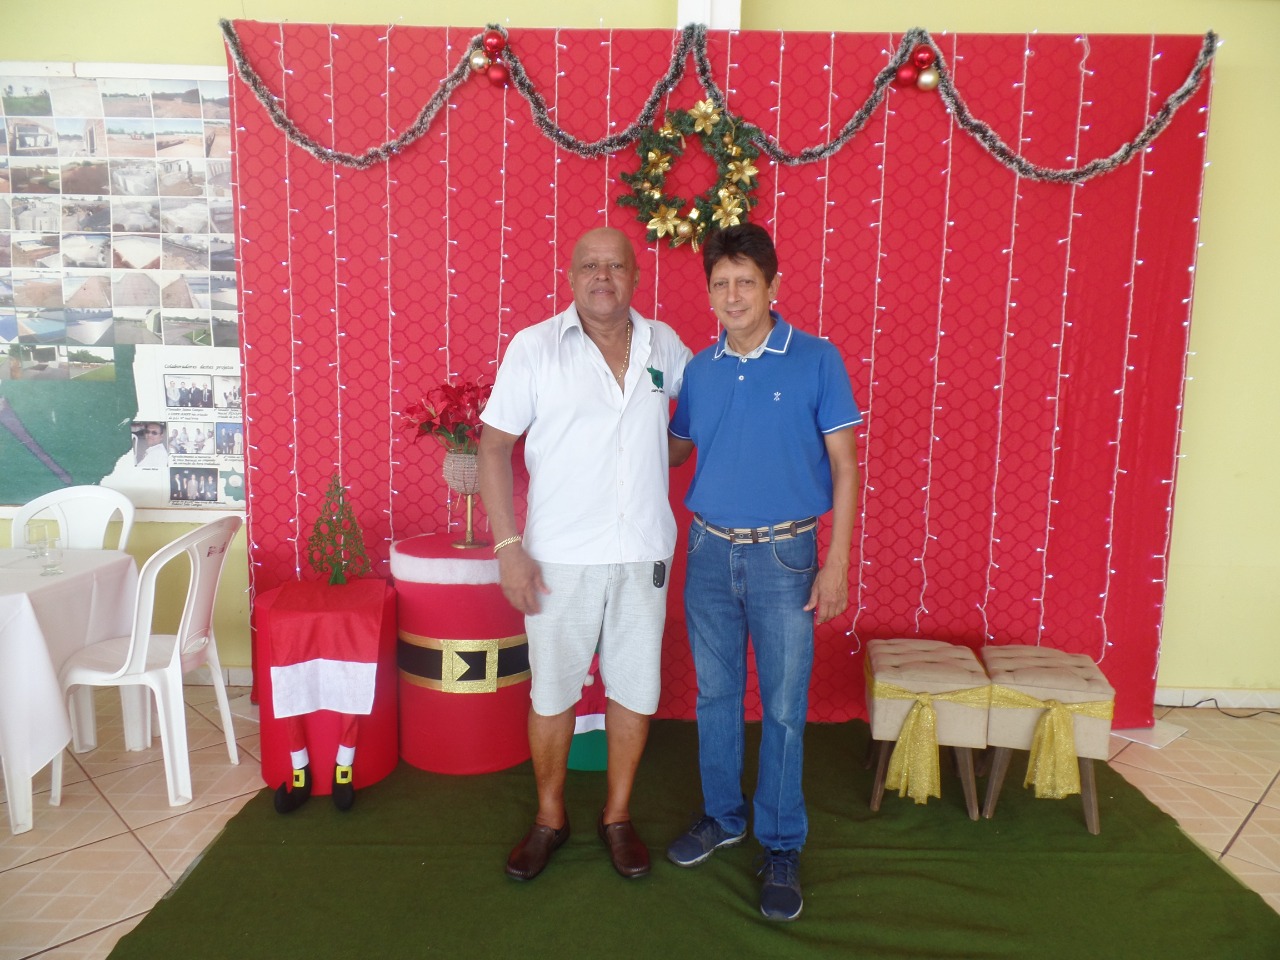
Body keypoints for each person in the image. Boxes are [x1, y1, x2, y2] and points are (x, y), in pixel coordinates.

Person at [477, 226, 691, 883]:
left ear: (635, 277)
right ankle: (550, 818)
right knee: (552, 693)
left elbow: (694, 422)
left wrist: (662, 450)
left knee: (635, 689)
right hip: (558, 557)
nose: (604, 276)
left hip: (643, 552)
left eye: (616, 266)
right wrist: (508, 548)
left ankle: (617, 815)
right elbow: (493, 447)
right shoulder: (535, 347)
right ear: (571, 278)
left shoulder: (664, 344)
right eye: (590, 266)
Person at [665, 223, 861, 922]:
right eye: (720, 284)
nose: (733, 295)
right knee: (715, 696)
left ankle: (781, 843)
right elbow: (672, 450)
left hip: (786, 556)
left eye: (746, 281)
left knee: (781, 706)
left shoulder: (817, 360)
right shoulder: (700, 370)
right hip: (709, 553)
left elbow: (845, 466)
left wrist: (835, 563)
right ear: (709, 293)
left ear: (773, 286)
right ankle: (722, 816)